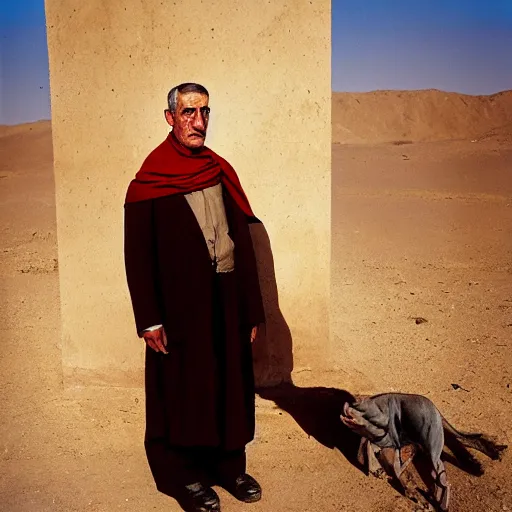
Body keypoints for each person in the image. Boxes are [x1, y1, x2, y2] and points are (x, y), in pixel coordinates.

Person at [123, 82, 265, 512]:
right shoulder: (150, 179)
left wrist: (251, 309)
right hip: (178, 310)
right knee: (181, 392)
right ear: (170, 118)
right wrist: (149, 319)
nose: (197, 122)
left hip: (225, 299)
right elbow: (138, 256)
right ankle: (180, 476)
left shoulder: (219, 170)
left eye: (204, 112)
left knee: (228, 385)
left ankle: (227, 465)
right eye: (188, 113)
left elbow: (242, 242)